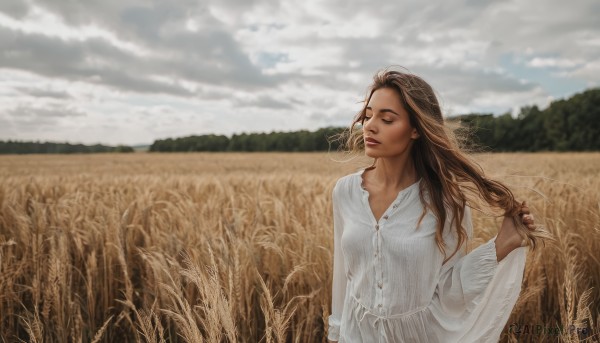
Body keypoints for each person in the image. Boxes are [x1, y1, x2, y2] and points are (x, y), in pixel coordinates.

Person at [327, 68, 549, 342]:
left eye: (386, 119)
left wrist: (502, 243)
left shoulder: (447, 201)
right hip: (355, 336)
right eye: (368, 115)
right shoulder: (345, 191)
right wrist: (336, 332)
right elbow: (343, 275)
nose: (370, 126)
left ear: (416, 130)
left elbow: (450, 291)